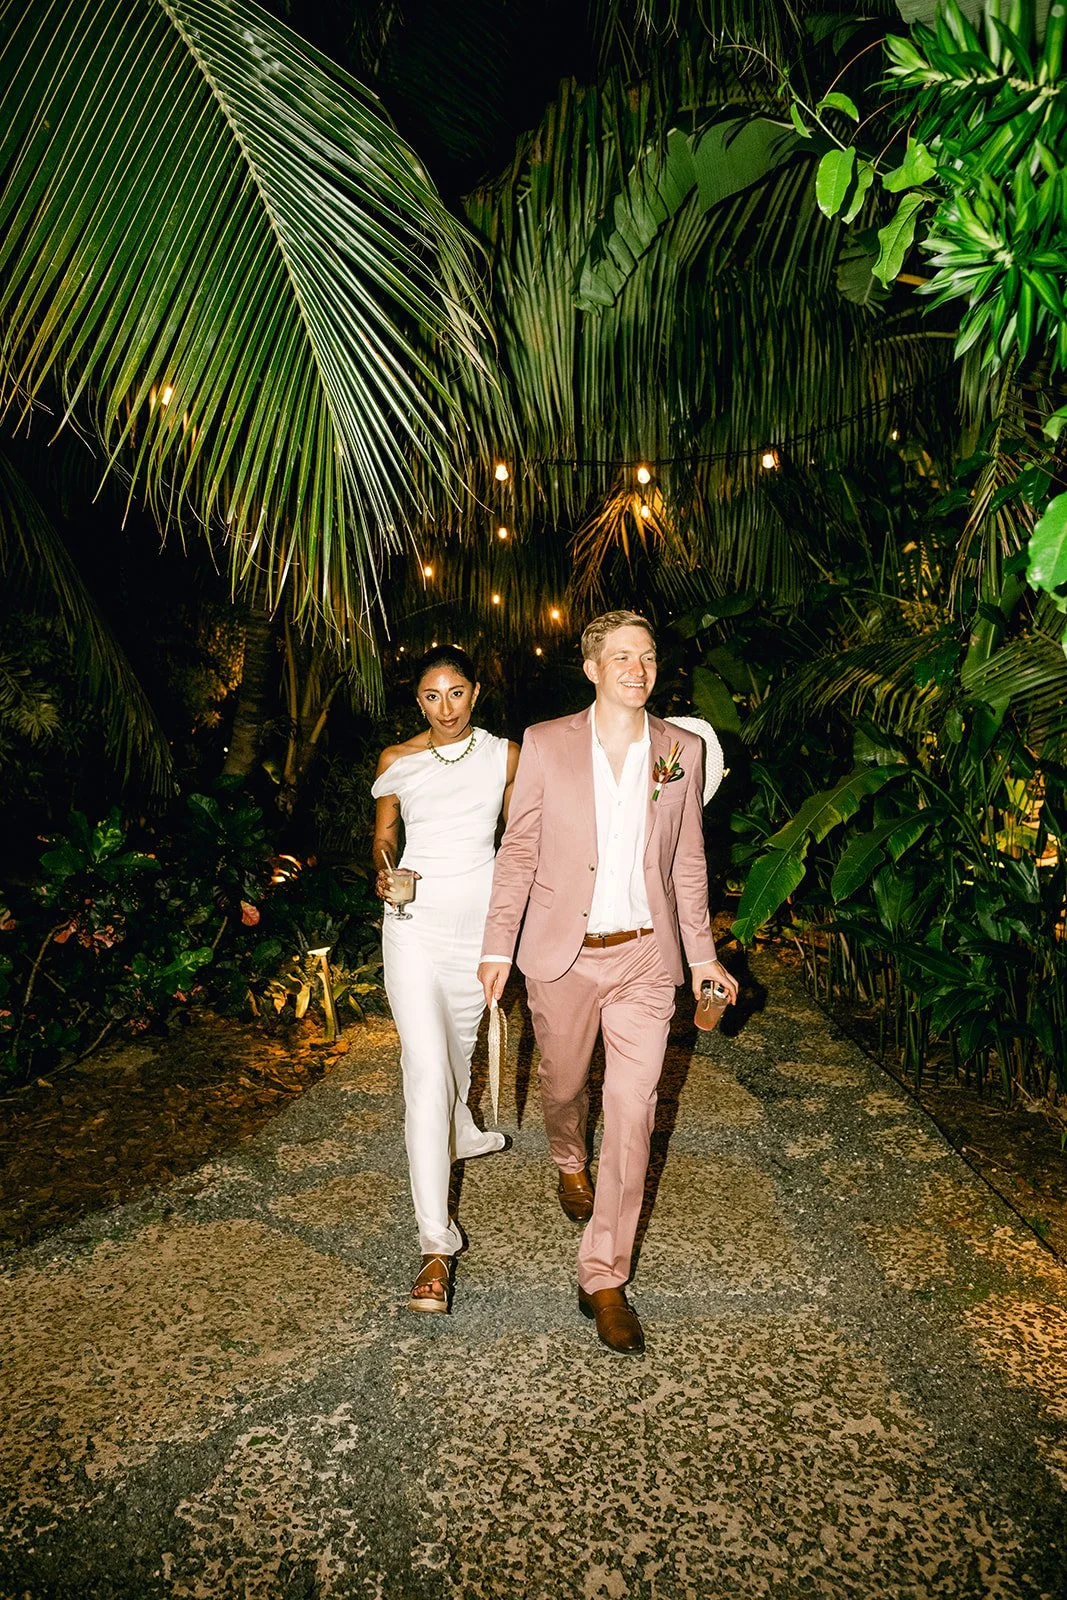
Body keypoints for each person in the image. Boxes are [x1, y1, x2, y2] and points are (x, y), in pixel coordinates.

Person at [478, 610, 738, 1355]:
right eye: (620, 657)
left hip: (645, 963)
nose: (636, 669)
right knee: (564, 1089)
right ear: (590, 669)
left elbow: (687, 863)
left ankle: (603, 1275)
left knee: (631, 1111)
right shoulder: (546, 744)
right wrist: (499, 944)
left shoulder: (681, 749)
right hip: (562, 954)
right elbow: (519, 852)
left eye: (647, 656)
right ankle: (566, 1157)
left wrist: (700, 958)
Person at [372, 644, 519, 1315]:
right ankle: (435, 1247)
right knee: (426, 1071)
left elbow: (525, 840)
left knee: (455, 1058)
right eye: (432, 696)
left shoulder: (506, 756)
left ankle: (459, 1131)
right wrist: (384, 867)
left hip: (481, 934)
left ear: (476, 691)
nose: (446, 708)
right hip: (413, 925)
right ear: (417, 701)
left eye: (456, 692)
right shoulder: (397, 762)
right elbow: (384, 834)